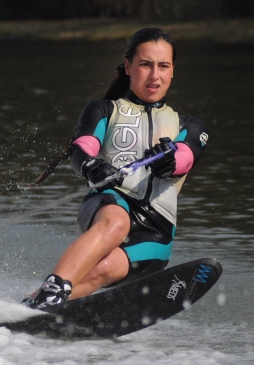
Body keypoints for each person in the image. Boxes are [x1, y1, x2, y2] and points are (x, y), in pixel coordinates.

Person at [25, 27, 209, 309]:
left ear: (173, 71)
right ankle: (53, 288)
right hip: (108, 204)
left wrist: (170, 160)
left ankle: (33, 309)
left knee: (103, 270)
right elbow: (83, 145)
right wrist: (91, 166)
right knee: (117, 221)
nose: (154, 75)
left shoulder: (190, 126)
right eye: (145, 64)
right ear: (128, 66)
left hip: (155, 233)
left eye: (163, 66)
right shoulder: (103, 110)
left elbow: (187, 155)